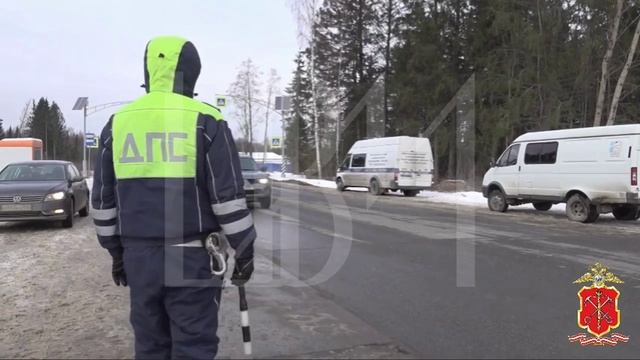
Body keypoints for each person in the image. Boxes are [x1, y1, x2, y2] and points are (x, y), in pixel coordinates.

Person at [91, 36, 256, 359]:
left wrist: (116, 253)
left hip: (139, 259)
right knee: (193, 346)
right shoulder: (207, 121)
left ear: (149, 72)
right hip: (192, 258)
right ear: (192, 72)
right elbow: (228, 200)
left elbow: (101, 203)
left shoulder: (118, 124)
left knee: (151, 345)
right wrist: (245, 248)